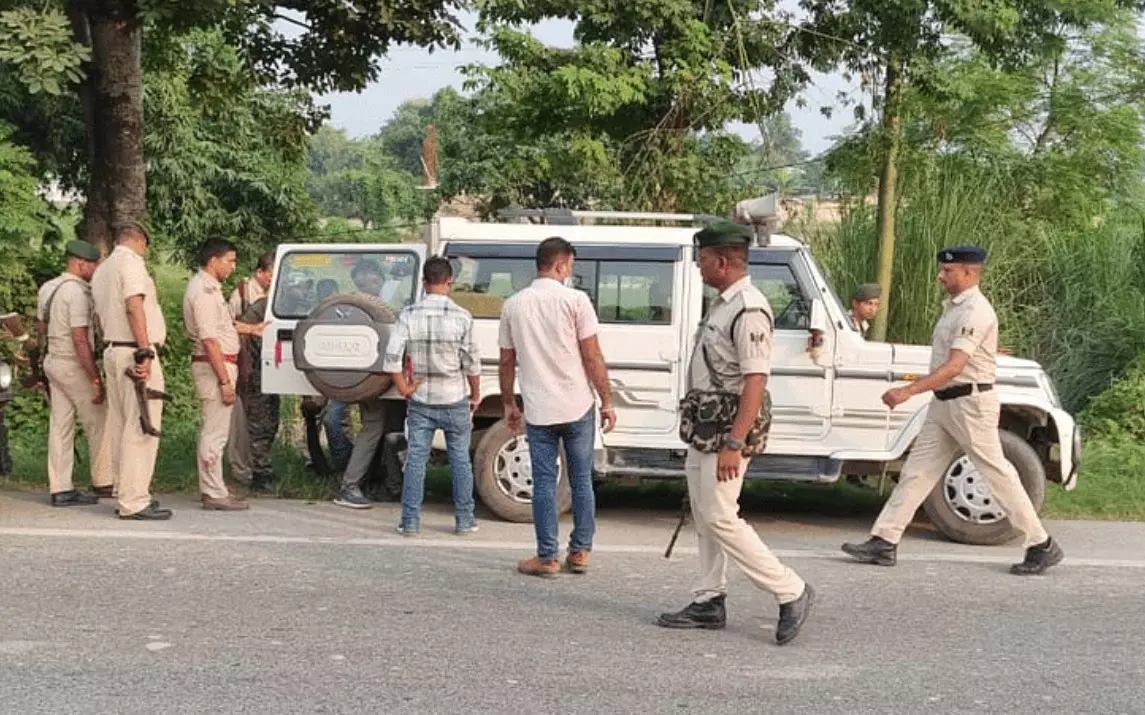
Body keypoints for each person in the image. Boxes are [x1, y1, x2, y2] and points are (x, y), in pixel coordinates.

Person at [842, 246, 1064, 576]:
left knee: (996, 474)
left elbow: (955, 366)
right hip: (946, 404)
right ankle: (884, 541)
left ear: (968, 273)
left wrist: (907, 391)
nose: (940, 276)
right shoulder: (954, 308)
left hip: (970, 404)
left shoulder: (975, 311)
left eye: (948, 271)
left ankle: (1041, 545)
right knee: (917, 472)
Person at [655, 221, 814, 646]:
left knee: (722, 516)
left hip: (725, 431)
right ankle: (709, 599)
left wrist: (734, 441)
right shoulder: (724, 303)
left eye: (703, 259)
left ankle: (790, 590)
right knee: (706, 514)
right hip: (706, 427)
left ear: (722, 261)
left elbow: (755, 380)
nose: (699, 266)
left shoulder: (749, 308)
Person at [498, 237, 616, 577]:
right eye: (570, 267)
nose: (569, 273)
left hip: (539, 409)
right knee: (581, 480)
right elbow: (592, 356)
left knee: (546, 483)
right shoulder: (576, 300)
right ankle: (580, 552)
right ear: (561, 265)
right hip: (578, 404)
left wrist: (509, 402)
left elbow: (507, 362)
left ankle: (547, 557)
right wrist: (607, 401)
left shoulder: (514, 305)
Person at [383, 257, 481, 535]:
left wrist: (404, 388)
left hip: (422, 399)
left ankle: (411, 521)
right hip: (455, 396)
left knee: (416, 459)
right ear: (450, 282)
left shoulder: (408, 315)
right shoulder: (463, 317)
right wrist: (475, 394)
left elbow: (391, 360)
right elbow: (472, 364)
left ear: (424, 283)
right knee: (460, 460)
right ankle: (464, 520)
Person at [91, 222, 170, 520]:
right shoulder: (132, 263)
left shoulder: (102, 269)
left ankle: (125, 491)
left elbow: (99, 317)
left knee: (121, 424)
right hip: (134, 351)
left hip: (112, 349)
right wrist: (145, 351)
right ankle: (134, 500)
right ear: (140, 242)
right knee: (142, 425)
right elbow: (134, 306)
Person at [182, 235, 265, 511]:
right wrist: (224, 381)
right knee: (214, 431)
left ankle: (215, 486)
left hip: (217, 362)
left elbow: (224, 325)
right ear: (213, 260)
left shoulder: (212, 289)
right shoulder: (203, 291)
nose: (232, 266)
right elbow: (210, 340)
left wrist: (251, 329)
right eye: (229, 260)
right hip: (213, 365)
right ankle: (213, 491)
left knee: (217, 430)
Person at [37, 240, 113, 506]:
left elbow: (40, 328)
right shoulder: (77, 293)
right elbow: (80, 339)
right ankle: (104, 480)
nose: (95, 269)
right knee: (99, 418)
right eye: (92, 264)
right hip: (72, 364)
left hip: (52, 362)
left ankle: (60, 487)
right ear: (81, 263)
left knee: (60, 426)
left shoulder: (48, 288)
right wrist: (94, 377)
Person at [331, 260, 393, 510]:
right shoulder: (370, 310)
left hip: (369, 377)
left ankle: (373, 480)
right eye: (364, 283)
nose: (370, 287)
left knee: (381, 429)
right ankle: (351, 483)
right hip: (370, 379)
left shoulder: (348, 308)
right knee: (372, 428)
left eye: (374, 282)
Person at [226, 251, 275, 485]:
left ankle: (259, 466)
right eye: (272, 275)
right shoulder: (243, 293)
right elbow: (230, 327)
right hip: (248, 363)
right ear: (261, 272)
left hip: (269, 364)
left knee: (269, 417)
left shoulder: (274, 296)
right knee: (251, 420)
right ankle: (252, 471)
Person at [237, 296, 279, 493]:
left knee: (272, 422)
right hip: (257, 369)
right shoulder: (264, 306)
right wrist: (245, 366)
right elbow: (243, 331)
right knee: (259, 423)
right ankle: (260, 473)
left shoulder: (297, 305)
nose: (303, 291)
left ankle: (264, 467)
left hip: (276, 368)